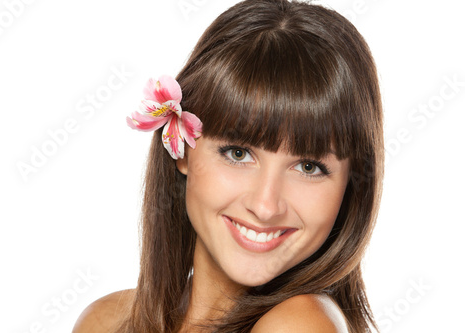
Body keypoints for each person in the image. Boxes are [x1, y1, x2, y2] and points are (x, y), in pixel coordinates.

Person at [73, 0, 384, 331]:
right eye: (238, 153)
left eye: (308, 167)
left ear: (352, 182)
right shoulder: (105, 321)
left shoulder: (300, 324)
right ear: (181, 149)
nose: (265, 206)